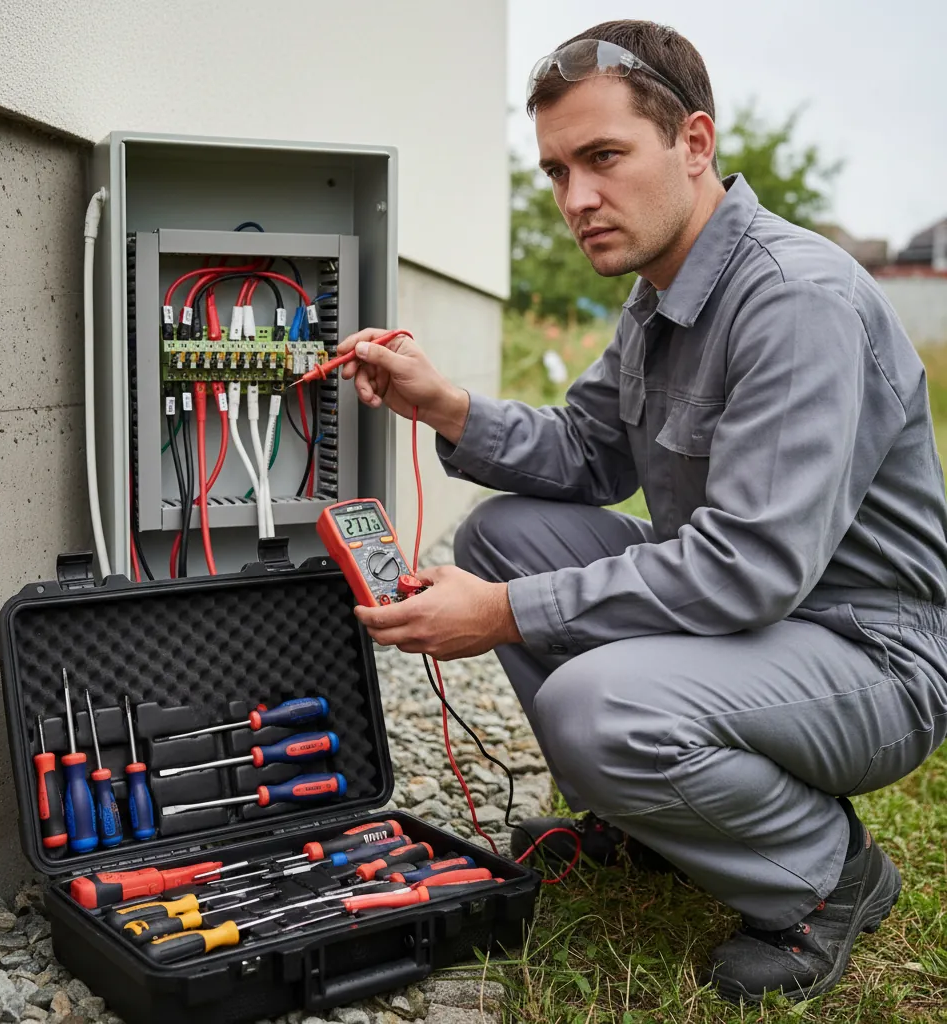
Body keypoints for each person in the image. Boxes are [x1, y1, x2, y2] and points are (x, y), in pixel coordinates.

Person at [334, 19, 947, 1005]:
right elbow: (584, 450)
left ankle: (826, 877)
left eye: (603, 157)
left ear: (693, 144)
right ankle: (657, 823)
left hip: (867, 660)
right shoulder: (662, 295)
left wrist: (498, 614)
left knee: (590, 700)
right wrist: (442, 404)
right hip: (764, 624)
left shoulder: (795, 302)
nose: (577, 199)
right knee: (503, 534)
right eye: (554, 171)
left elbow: (744, 568)